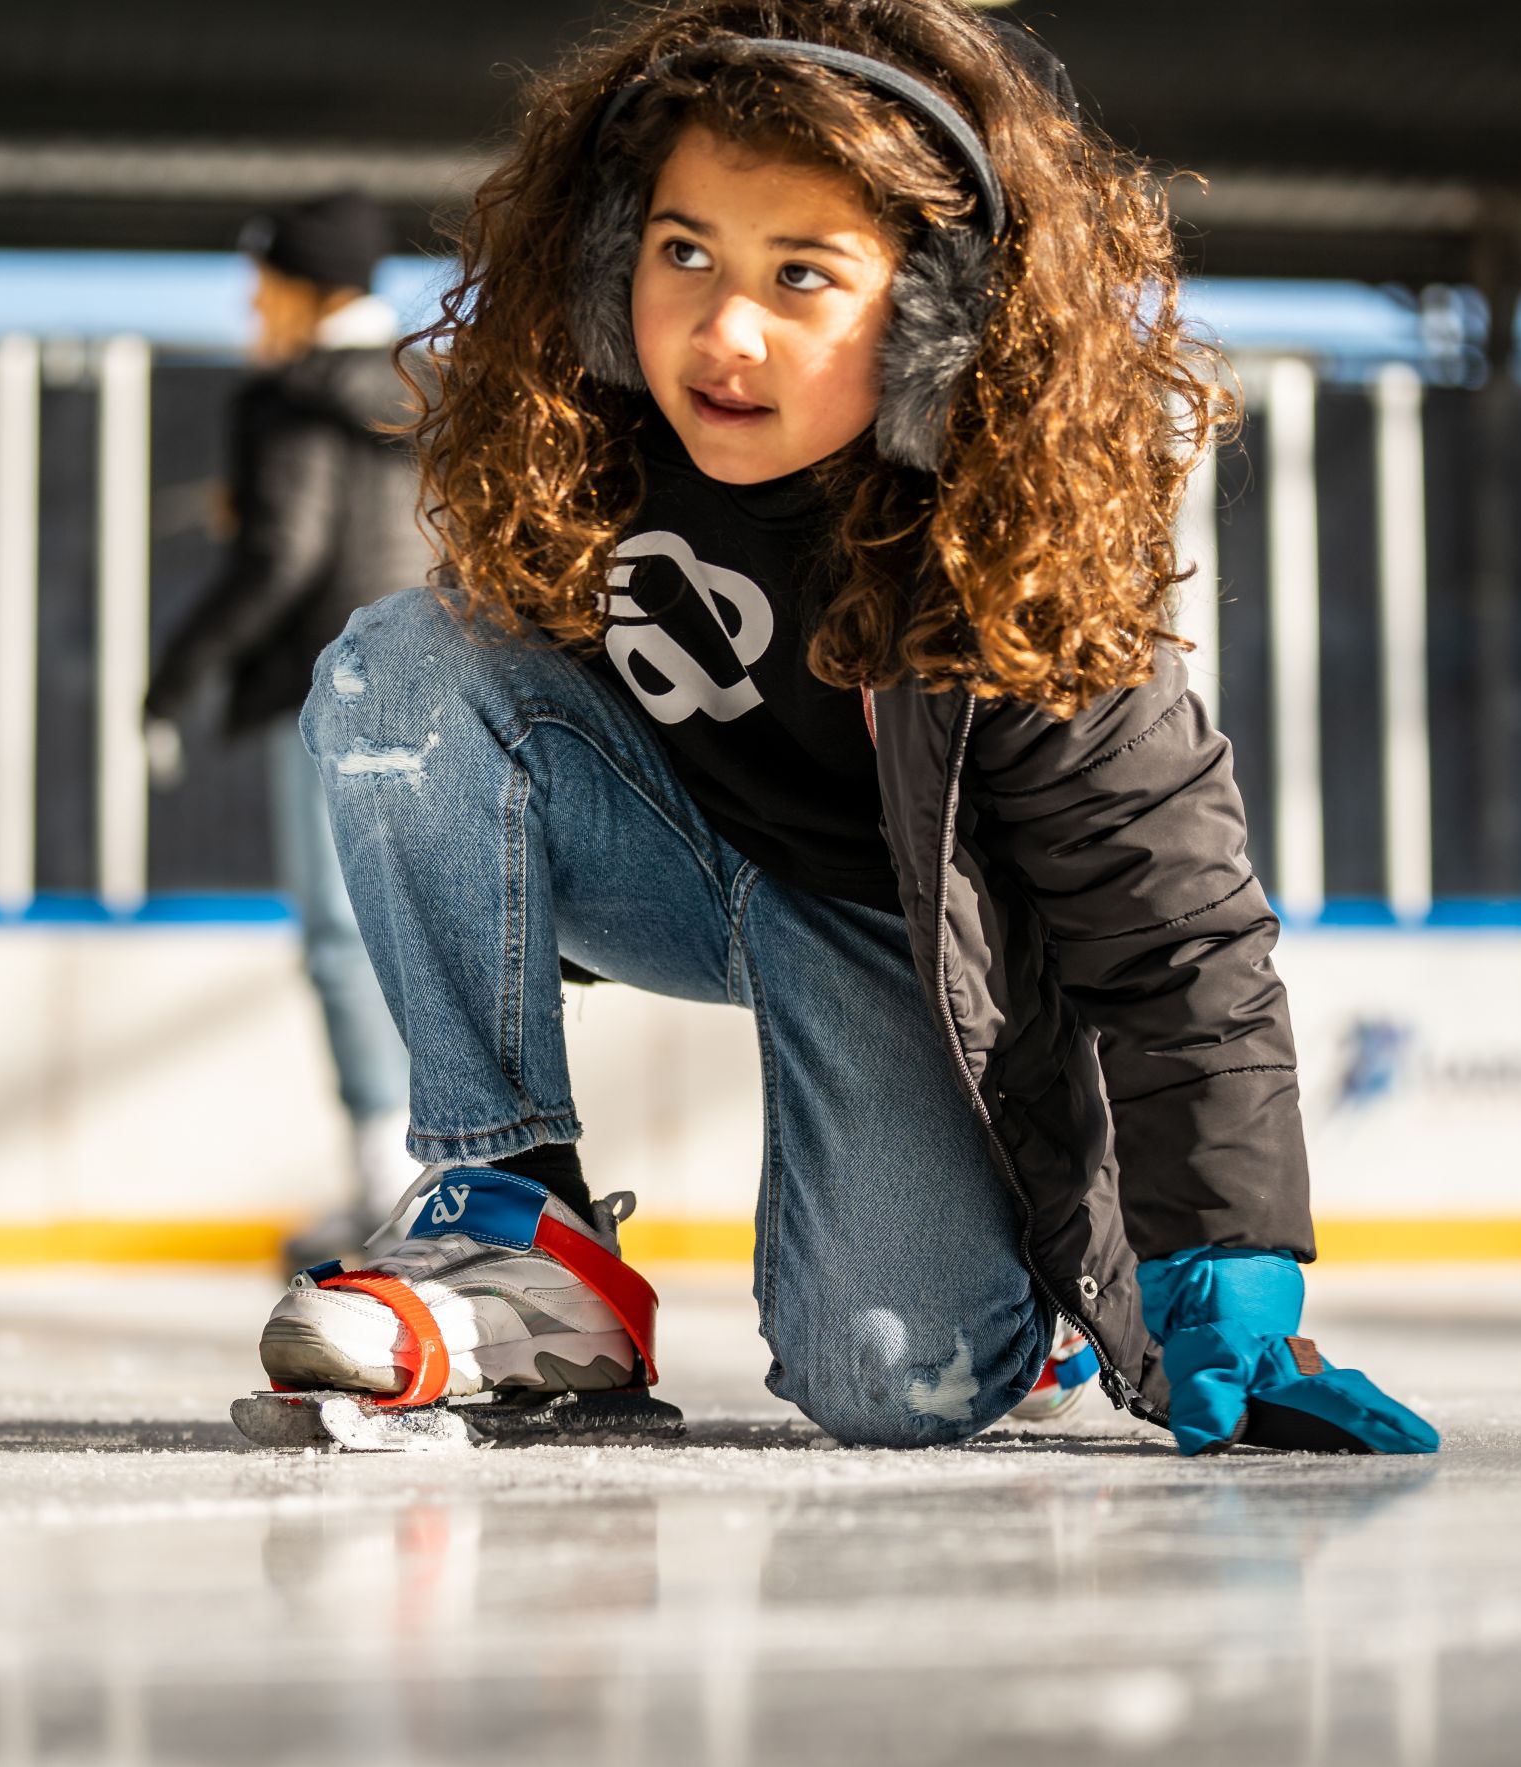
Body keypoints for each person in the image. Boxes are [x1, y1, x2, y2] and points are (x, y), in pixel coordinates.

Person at [258, 0, 1438, 1456]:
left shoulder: (1016, 545)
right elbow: (486, 741)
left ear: (937, 318)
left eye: (801, 275)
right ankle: (518, 1230)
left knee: (893, 1380)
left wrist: (1219, 1252)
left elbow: (1168, 926)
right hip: (683, 868)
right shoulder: (587, 428)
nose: (720, 329)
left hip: (910, 951)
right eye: (681, 251)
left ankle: (1029, 1307)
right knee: (401, 667)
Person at [142, 190, 428, 1268]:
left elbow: (285, 555)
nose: (247, 308)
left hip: (322, 686)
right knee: (406, 933)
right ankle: (433, 1171)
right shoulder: (422, 386)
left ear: (305, 288)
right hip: (427, 682)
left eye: (259, 285)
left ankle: (387, 1182)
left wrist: (172, 680)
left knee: (338, 935)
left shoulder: (287, 396)